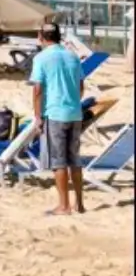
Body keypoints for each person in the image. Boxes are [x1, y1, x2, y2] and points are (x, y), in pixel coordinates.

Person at [30, 24, 86, 215]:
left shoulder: (41, 58)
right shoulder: (72, 55)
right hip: (75, 112)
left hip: (55, 114)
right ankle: (80, 204)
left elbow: (37, 90)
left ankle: (64, 206)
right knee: (75, 159)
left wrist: (37, 116)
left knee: (59, 161)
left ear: (41, 37)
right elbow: (80, 86)